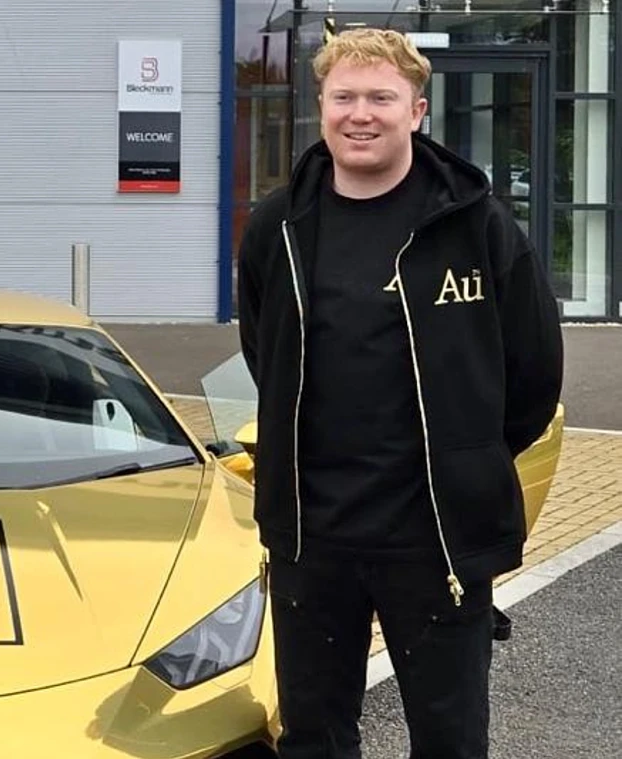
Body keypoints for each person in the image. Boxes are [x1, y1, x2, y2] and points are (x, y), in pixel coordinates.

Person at [236, 28, 562, 759]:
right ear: (321, 106)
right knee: (313, 738)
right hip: (310, 534)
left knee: (450, 741)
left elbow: (534, 374)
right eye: (343, 97)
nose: (361, 114)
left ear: (416, 110)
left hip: (436, 536)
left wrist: (467, 455)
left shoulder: (475, 225)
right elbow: (267, 355)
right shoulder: (277, 228)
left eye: (380, 98)